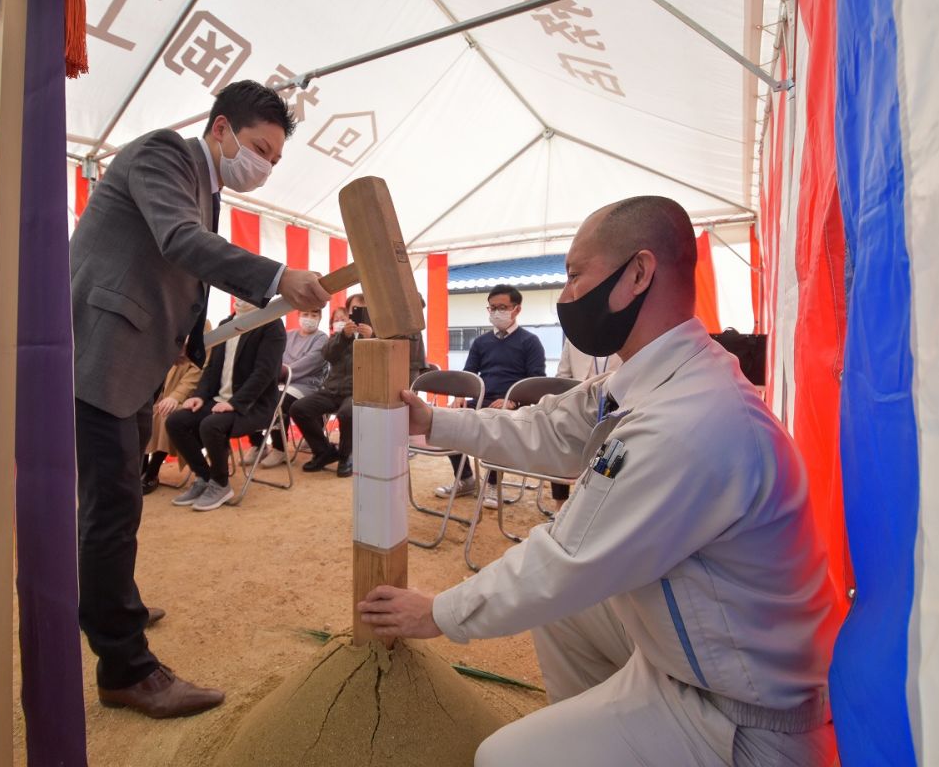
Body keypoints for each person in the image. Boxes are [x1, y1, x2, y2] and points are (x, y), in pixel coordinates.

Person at [358, 196, 839, 766]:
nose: (565, 298)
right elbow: (553, 427)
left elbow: (563, 561)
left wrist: (436, 614)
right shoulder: (657, 376)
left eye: (574, 274)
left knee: (502, 757)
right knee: (570, 613)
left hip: (743, 718)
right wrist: (435, 421)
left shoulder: (691, 421)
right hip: (688, 659)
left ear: (637, 273)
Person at [70, 79, 331, 719]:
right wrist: (276, 276)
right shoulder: (163, 153)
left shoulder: (205, 186)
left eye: (274, 158)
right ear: (220, 129)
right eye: (260, 149)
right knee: (111, 506)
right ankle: (125, 668)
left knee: (118, 500)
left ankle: (116, 606)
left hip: (135, 359)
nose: (265, 167)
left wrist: (189, 340)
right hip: (101, 350)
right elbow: (181, 244)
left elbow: (182, 273)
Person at [165, 301, 285, 510]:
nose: (241, 295)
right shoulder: (226, 324)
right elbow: (211, 368)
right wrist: (200, 396)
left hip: (254, 405)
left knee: (211, 425)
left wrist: (235, 403)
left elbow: (264, 373)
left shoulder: (271, 325)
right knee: (176, 421)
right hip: (219, 400)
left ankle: (221, 484)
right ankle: (204, 477)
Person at [435, 284, 545, 508]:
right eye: (492, 308)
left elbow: (536, 382)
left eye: (502, 307)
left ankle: (493, 484)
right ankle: (465, 479)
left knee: (496, 421)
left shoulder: (530, 342)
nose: (496, 312)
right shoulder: (481, 342)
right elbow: (468, 374)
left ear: (517, 309)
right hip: (482, 399)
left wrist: (513, 400)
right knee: (448, 418)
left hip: (513, 405)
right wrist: (458, 395)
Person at [289, 293, 370, 479]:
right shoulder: (339, 335)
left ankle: (346, 455)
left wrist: (370, 338)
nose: (358, 314)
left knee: (347, 413)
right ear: (349, 312)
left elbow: (382, 362)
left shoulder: (379, 333)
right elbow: (327, 355)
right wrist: (344, 336)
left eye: (364, 309)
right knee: (299, 408)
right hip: (332, 390)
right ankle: (324, 451)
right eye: (354, 310)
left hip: (361, 391)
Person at [241, 307, 328, 468]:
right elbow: (274, 358)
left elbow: (309, 364)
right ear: (298, 315)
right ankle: (258, 444)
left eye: (314, 314)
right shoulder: (289, 335)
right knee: (248, 396)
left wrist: (278, 373)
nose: (309, 318)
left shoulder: (322, 339)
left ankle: (279, 448)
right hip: (279, 382)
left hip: (305, 386)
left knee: (277, 402)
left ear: (320, 317)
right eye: (306, 313)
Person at [140, 328, 209, 495]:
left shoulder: (203, 326)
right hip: (157, 385)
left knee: (165, 413)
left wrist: (176, 396)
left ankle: (152, 471)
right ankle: (139, 469)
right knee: (139, 412)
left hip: (187, 394)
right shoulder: (167, 319)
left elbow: (198, 369)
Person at [551, 338, 621, 501]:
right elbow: (563, 377)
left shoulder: (629, 333)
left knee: (614, 448)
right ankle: (560, 506)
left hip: (615, 409)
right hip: (580, 405)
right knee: (560, 436)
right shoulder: (575, 338)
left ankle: (596, 500)